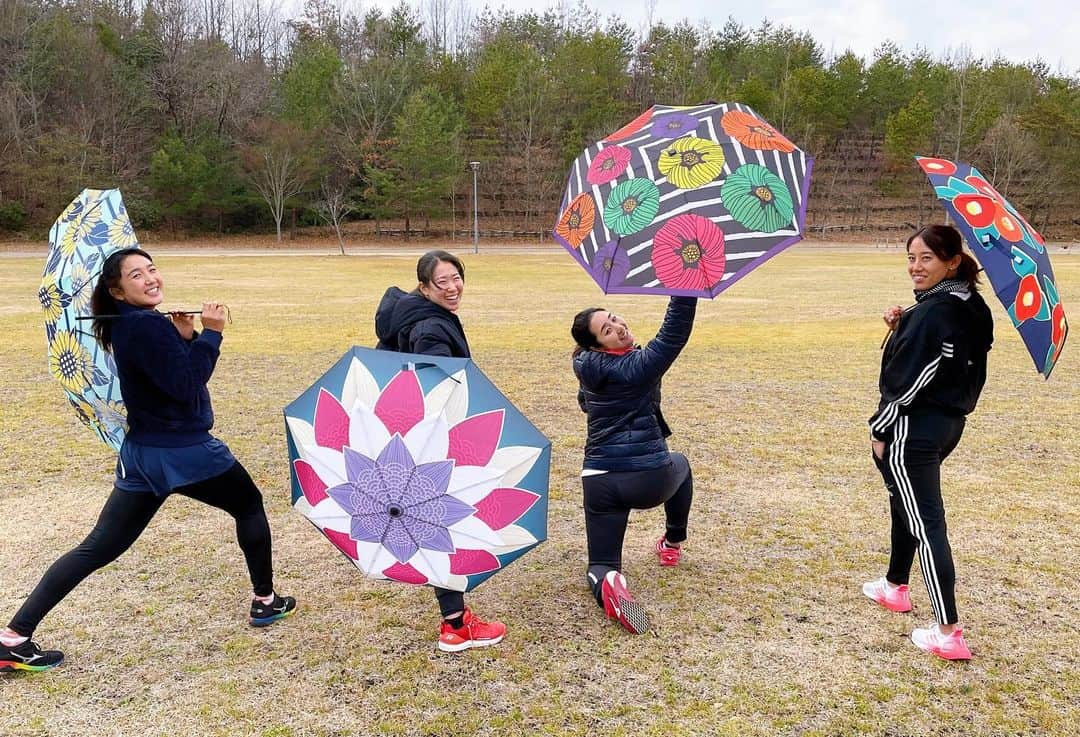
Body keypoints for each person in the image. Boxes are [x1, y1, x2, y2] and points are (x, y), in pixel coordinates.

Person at [1, 248, 295, 673]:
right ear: (118, 290)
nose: (151, 278)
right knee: (248, 505)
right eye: (136, 275)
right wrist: (212, 333)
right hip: (186, 452)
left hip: (142, 454)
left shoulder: (129, 325)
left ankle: (13, 636)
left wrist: (185, 335)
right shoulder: (144, 327)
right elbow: (186, 384)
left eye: (152, 268)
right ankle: (266, 601)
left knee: (98, 547)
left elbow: (169, 372)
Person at [863, 224, 993, 661]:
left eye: (927, 259)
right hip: (948, 426)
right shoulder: (971, 305)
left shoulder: (934, 313)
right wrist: (903, 325)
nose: (916, 267)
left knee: (926, 524)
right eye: (912, 258)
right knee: (907, 503)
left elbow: (909, 382)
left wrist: (881, 431)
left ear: (952, 261)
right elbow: (950, 360)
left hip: (912, 430)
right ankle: (895, 585)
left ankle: (948, 632)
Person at [374, 249, 506, 653]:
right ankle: (455, 625)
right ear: (424, 287)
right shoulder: (430, 327)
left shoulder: (414, 315)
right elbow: (438, 388)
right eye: (442, 282)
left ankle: (453, 619)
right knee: (439, 523)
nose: (452, 288)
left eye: (456, 278)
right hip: (430, 439)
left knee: (433, 522)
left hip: (410, 434)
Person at [570, 296, 697, 634]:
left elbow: (587, 405)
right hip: (646, 478)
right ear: (597, 345)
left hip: (598, 479)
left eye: (613, 319)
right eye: (607, 330)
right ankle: (671, 544)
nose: (618, 328)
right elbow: (672, 336)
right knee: (681, 464)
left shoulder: (586, 366)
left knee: (601, 563)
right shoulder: (633, 367)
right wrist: (683, 288)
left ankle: (609, 581)